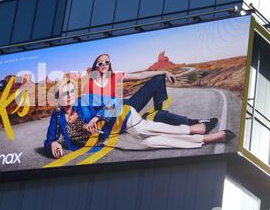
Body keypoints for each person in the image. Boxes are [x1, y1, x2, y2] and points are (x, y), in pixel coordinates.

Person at [44, 78, 235, 159]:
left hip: (123, 118)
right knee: (152, 142)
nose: (69, 95)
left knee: (144, 130)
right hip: (110, 139)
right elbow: (50, 139)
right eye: (64, 92)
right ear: (58, 97)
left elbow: (116, 103)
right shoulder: (57, 116)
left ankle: (197, 129)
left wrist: (98, 117)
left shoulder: (85, 100)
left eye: (71, 91)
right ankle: (203, 139)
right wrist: (52, 144)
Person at [83, 53, 218, 130]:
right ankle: (192, 122)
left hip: (125, 104)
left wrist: (165, 71)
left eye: (107, 61)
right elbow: (85, 105)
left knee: (158, 79)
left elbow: (140, 75)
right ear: (96, 66)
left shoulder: (114, 75)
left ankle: (158, 112)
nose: (104, 65)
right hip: (111, 113)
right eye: (100, 63)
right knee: (118, 103)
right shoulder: (90, 82)